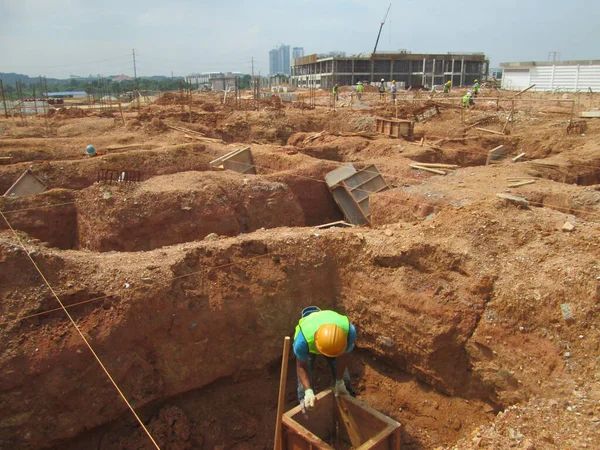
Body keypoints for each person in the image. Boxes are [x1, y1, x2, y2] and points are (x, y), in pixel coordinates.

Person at [293, 306, 356, 409]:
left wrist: (340, 381)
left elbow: (343, 357)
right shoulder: (302, 341)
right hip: (309, 340)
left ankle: (348, 396)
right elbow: (301, 366)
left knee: (343, 378)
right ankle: (304, 402)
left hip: (334, 341)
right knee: (305, 382)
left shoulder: (349, 332)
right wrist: (308, 391)